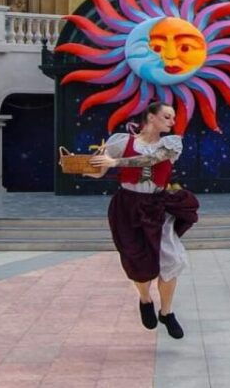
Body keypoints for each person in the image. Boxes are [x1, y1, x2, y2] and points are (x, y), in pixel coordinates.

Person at [84, 102, 199, 339]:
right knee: (136, 259)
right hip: (127, 204)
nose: (171, 121)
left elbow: (151, 160)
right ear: (151, 117)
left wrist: (115, 163)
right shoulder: (119, 141)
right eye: (167, 116)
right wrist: (82, 167)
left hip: (156, 204)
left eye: (173, 117)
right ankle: (145, 299)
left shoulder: (172, 144)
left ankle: (166, 313)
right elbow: (98, 170)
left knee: (172, 258)